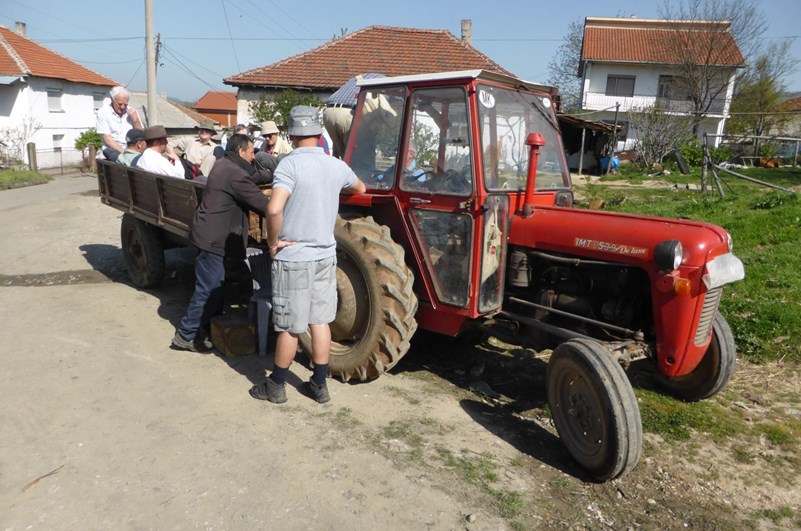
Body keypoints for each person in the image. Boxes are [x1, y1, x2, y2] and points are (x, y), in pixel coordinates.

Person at [249, 106, 366, 404]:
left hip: (295, 257)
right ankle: (318, 384)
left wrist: (274, 244)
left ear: (290, 134)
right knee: (320, 321)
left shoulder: (288, 166)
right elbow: (360, 187)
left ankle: (276, 385)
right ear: (318, 133)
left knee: (291, 325)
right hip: (326, 256)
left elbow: (274, 208)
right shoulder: (335, 166)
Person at [172, 134, 270, 352]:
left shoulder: (225, 164)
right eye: (251, 152)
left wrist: (268, 175)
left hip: (210, 234)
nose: (254, 156)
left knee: (216, 285)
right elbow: (262, 203)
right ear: (241, 152)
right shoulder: (234, 173)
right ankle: (185, 334)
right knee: (208, 288)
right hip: (213, 237)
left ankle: (207, 328)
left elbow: (250, 178)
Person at [322, 73, 385, 158]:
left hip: (328, 112)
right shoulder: (389, 83)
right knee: (358, 158)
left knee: (341, 153)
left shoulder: (358, 78)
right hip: (349, 112)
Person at [95, 86, 143, 161]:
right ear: (112, 100)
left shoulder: (132, 111)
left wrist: (135, 120)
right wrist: (125, 153)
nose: (123, 107)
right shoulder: (103, 113)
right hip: (112, 149)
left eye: (125, 104)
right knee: (123, 159)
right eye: (120, 104)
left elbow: (141, 135)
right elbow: (108, 140)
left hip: (131, 148)